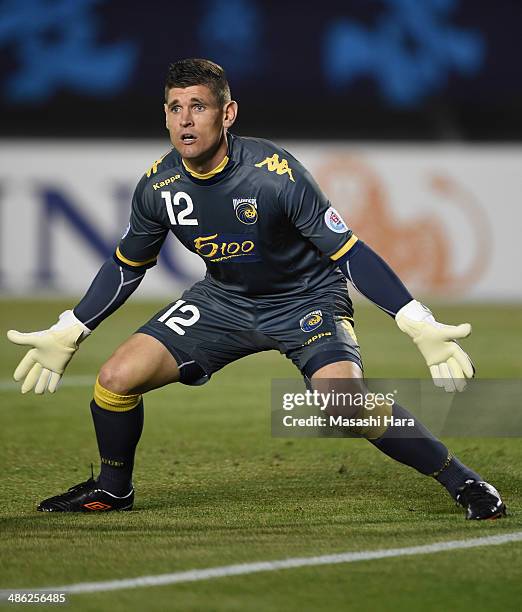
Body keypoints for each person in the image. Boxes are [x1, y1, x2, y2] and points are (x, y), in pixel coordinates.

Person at [7, 58, 505, 520]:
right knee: (116, 378)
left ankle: (462, 481)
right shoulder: (157, 186)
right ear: (164, 116)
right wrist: (72, 327)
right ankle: (114, 489)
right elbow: (127, 264)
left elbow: (348, 250)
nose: (186, 120)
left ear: (227, 113)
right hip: (223, 301)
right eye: (175, 108)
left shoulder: (275, 174)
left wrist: (413, 318)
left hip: (305, 298)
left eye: (198, 107)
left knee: (342, 402)